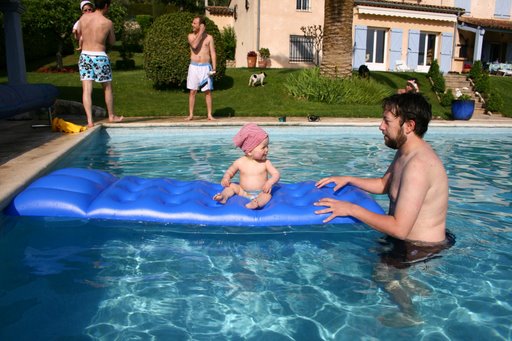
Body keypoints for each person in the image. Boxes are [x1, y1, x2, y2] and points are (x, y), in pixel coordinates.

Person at [314, 93, 452, 325]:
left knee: (380, 274)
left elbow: (399, 228)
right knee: (374, 259)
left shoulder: (418, 166)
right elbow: (384, 184)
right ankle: (408, 281)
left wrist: (351, 208)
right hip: (411, 242)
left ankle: (411, 315)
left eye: (387, 121)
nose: (380, 126)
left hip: (421, 248)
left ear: (409, 125)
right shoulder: (406, 152)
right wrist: (348, 179)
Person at [77, 0, 123, 127]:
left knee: (86, 89)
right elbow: (112, 42)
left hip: (85, 55)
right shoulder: (107, 22)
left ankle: (90, 121)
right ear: (106, 6)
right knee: (107, 87)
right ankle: (111, 116)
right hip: (100, 57)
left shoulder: (83, 17)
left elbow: (79, 35)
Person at [213, 123, 280, 209]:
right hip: (242, 191)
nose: (267, 150)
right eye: (263, 147)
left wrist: (270, 182)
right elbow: (230, 171)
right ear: (249, 151)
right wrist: (226, 178)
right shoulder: (240, 162)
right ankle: (223, 197)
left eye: (267, 146)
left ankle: (256, 203)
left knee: (267, 196)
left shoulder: (266, 163)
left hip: (261, 191)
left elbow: (276, 174)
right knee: (231, 186)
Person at [186, 16, 217, 121]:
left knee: (207, 91)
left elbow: (212, 53)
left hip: (205, 68)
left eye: (195, 23)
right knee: (192, 91)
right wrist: (201, 32)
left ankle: (209, 114)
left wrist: (214, 68)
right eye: (192, 22)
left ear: (201, 25)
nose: (192, 25)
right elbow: (194, 45)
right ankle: (191, 114)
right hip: (194, 67)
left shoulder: (209, 38)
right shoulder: (190, 36)